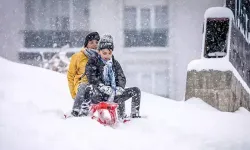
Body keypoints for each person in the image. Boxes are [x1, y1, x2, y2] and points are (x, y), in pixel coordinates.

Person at [76, 34, 141, 119]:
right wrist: (101, 86)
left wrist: (119, 88)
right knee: (88, 88)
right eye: (104, 53)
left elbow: (121, 77)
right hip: (99, 94)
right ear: (99, 52)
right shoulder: (93, 62)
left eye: (109, 53)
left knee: (136, 90)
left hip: (113, 94)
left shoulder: (115, 63)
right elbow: (91, 77)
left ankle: (134, 116)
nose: (107, 56)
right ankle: (83, 113)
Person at [67, 32, 100, 116]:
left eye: (97, 42)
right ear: (86, 44)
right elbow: (70, 76)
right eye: (91, 42)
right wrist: (73, 94)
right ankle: (76, 110)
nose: (94, 45)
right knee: (84, 86)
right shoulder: (77, 56)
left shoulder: (101, 56)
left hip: (95, 86)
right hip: (80, 86)